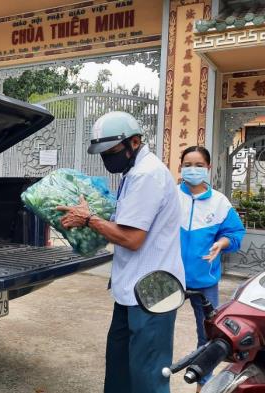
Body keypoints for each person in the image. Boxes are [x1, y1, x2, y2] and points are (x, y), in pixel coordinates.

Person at [57, 111, 185, 393]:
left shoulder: (146, 175)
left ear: (135, 142)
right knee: (121, 367)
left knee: (147, 374)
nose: (107, 159)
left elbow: (131, 237)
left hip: (153, 290)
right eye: (102, 153)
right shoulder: (134, 172)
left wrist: (90, 219)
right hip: (133, 289)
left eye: (111, 151)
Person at [177, 146, 245, 392]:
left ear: (208, 169)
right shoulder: (171, 196)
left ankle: (202, 385)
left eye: (198, 165)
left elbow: (235, 234)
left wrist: (220, 244)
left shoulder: (219, 202)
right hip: (170, 279)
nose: (192, 170)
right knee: (158, 332)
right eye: (188, 164)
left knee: (208, 337)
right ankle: (155, 380)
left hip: (205, 282)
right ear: (180, 167)